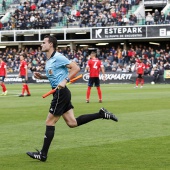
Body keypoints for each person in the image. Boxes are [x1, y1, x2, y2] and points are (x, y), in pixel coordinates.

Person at [26, 35, 118, 162]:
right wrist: (42, 77)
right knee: (72, 123)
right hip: (60, 92)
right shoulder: (49, 60)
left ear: (51, 44)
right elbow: (55, 77)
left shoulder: (58, 57)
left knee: (49, 122)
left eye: (44, 42)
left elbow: (76, 68)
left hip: (61, 93)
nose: (41, 45)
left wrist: (65, 80)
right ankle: (101, 114)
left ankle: (43, 154)